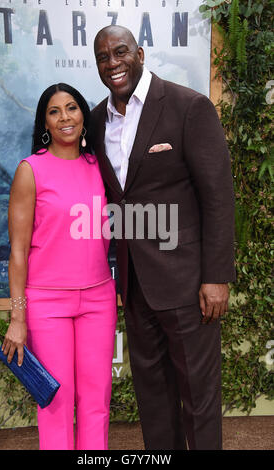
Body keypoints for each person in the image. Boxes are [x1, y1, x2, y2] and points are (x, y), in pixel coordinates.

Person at [90, 25, 236, 450]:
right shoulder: (98, 119)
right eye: (103, 57)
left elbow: (218, 197)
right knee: (153, 400)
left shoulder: (187, 106)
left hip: (190, 285)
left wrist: (216, 277)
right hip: (136, 287)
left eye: (120, 53)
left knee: (199, 398)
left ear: (139, 52)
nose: (113, 63)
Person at [2, 83, 117, 450]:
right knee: (55, 402)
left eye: (72, 108)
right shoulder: (30, 170)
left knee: (97, 401)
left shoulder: (101, 167)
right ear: (45, 123)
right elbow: (18, 252)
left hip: (99, 299)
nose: (65, 117)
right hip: (46, 305)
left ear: (84, 116)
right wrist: (17, 318)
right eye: (55, 111)